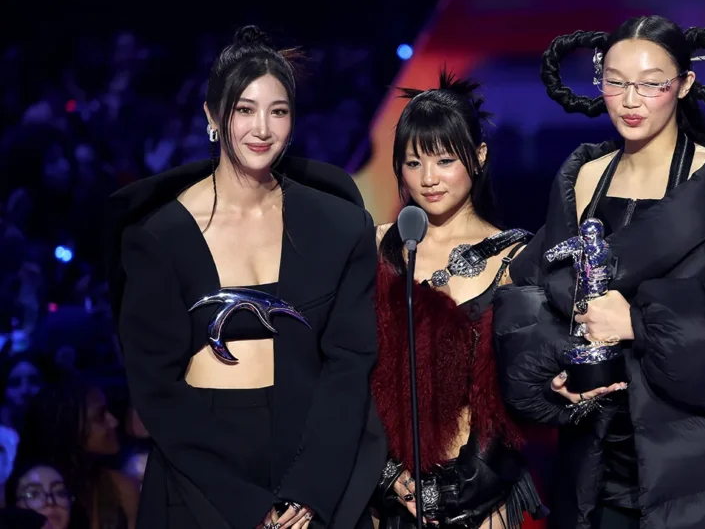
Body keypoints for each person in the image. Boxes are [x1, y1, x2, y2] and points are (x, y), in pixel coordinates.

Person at [493, 15, 705, 529]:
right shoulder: (584, 180)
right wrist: (556, 369)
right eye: (615, 82)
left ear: (684, 84)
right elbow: (531, 290)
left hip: (700, 467)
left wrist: (639, 323)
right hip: (596, 458)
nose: (630, 100)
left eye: (651, 83)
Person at [105, 26, 385, 529]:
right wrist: (247, 506)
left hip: (309, 474)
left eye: (278, 111)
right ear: (213, 116)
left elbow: (349, 367)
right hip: (202, 482)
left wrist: (309, 492)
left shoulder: (340, 226)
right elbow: (157, 389)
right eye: (244, 109)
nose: (262, 128)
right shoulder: (159, 236)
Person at [369, 70, 545, 529]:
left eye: (444, 160)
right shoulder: (377, 247)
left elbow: (520, 395)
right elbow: (347, 371)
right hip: (388, 493)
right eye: (413, 163)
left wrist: (472, 483)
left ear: (479, 156)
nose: (428, 179)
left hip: (483, 493)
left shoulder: (516, 256)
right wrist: (387, 475)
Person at [19, 376, 135, 529]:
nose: (114, 422)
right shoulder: (18, 494)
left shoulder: (122, 491)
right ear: (69, 429)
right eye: (100, 416)